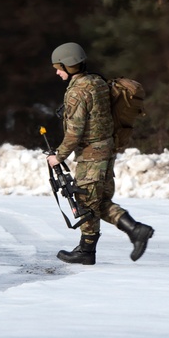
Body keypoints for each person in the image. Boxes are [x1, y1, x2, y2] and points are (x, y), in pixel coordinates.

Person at [46, 42, 153, 265]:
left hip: (91, 154)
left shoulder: (77, 91)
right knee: (99, 201)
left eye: (59, 67)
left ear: (70, 66)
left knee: (85, 202)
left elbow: (75, 132)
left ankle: (86, 250)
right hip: (106, 150)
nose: (57, 72)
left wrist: (59, 156)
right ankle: (135, 230)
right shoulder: (97, 82)